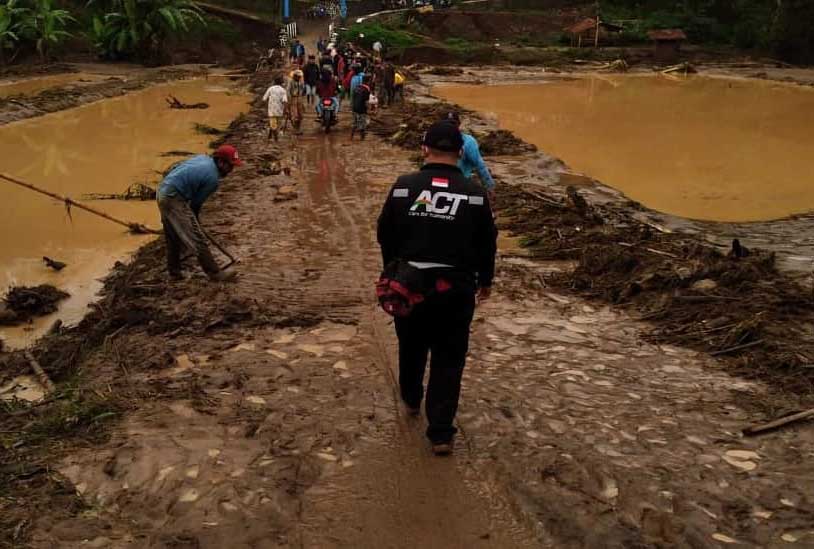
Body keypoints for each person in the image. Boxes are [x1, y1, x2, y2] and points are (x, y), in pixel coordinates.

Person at [376, 122, 497, 456]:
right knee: (449, 356)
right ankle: (441, 432)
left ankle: (412, 398)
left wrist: (393, 268)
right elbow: (488, 242)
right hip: (456, 289)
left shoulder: (404, 187)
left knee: (411, 345)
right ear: (460, 153)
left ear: (424, 149)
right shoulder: (474, 194)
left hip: (409, 285)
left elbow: (385, 232)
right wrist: (485, 280)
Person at [157, 146, 242, 282]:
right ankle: (214, 273)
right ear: (221, 162)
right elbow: (195, 205)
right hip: (173, 198)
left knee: (172, 235)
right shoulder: (212, 179)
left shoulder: (203, 158)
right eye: (230, 166)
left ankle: (174, 271)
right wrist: (195, 224)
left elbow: (175, 168)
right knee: (196, 238)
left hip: (163, 190)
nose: (231, 170)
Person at [443, 111, 496, 195]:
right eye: (447, 124)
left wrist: (489, 186)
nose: (451, 127)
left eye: (453, 124)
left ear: (459, 125)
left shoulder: (468, 142)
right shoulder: (434, 140)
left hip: (460, 184)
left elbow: (479, 165)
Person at [263, 75, 288, 142]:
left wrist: (268, 106)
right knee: (276, 124)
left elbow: (264, 99)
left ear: (274, 82)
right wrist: (285, 110)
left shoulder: (270, 89)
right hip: (280, 110)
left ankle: (276, 139)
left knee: (273, 125)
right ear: (281, 83)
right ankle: (270, 136)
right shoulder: (283, 90)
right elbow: (285, 101)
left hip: (271, 110)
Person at [351, 75, 372, 140]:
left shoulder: (357, 87)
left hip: (354, 107)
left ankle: (351, 135)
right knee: (363, 122)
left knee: (355, 122)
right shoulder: (367, 89)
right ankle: (362, 137)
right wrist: (368, 109)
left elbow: (353, 98)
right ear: (368, 81)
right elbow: (366, 101)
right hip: (362, 108)